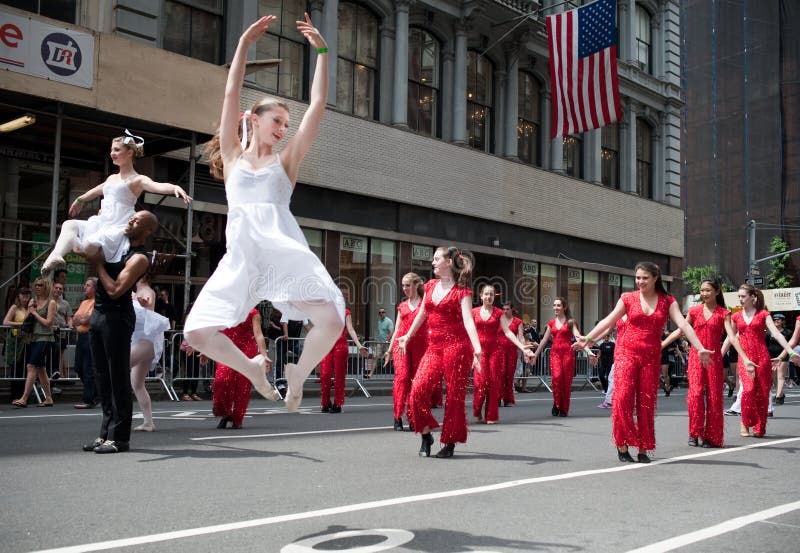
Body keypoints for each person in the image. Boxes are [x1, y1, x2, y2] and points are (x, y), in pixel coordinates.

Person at [183, 14, 345, 413]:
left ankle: (298, 373)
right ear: (254, 120)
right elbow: (229, 94)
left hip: (280, 254)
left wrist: (323, 52)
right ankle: (253, 369)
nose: (283, 129)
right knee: (196, 330)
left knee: (332, 320)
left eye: (287, 124)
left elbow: (319, 105)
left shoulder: (286, 161)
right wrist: (242, 46)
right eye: (277, 121)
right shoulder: (234, 157)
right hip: (241, 259)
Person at [574, 262, 712, 463]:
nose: (640, 281)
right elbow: (609, 321)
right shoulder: (627, 298)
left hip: (650, 358)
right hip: (625, 354)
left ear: (655, 278)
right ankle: (622, 444)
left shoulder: (668, 301)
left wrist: (699, 347)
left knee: (646, 404)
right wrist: (589, 338)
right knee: (621, 400)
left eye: (645, 278)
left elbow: (683, 325)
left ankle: (643, 448)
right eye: (637, 277)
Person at [41, 134, 190, 274]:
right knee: (69, 224)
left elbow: (156, 186)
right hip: (102, 222)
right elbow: (96, 191)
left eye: (117, 150)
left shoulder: (137, 179)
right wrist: (81, 199)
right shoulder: (112, 178)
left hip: (118, 225)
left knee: (87, 245)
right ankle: (56, 255)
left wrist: (174, 188)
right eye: (112, 149)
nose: (112, 153)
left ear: (130, 153)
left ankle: (76, 246)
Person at [81, 210, 158, 454]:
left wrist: (99, 264)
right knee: (102, 376)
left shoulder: (139, 258)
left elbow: (115, 290)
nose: (131, 221)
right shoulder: (118, 243)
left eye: (137, 220)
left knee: (118, 378)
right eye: (132, 217)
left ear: (146, 231)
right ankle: (104, 435)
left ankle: (119, 438)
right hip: (99, 315)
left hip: (117, 316)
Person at [398, 246, 482, 459]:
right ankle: (426, 435)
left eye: (436, 259)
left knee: (454, 397)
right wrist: (407, 335)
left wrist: (477, 348)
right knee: (417, 390)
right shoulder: (429, 285)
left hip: (457, 348)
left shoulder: (462, 291)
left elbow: (468, 320)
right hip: (434, 348)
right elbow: (422, 313)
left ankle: (450, 442)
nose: (433, 263)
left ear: (448, 263)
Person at [663, 279, 739, 448]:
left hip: (714, 359)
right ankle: (694, 432)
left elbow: (732, 337)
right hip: (696, 359)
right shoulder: (694, 311)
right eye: (702, 290)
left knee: (713, 398)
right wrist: (660, 346)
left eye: (708, 290)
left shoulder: (723, 313)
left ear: (717, 292)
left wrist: (746, 358)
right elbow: (679, 331)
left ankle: (710, 436)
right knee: (695, 395)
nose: (704, 293)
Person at [728, 284, 799, 438]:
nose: (740, 299)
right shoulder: (736, 316)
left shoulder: (763, 314)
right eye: (739, 296)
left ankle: (760, 425)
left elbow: (777, 334)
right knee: (747, 390)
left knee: (762, 393)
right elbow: (731, 338)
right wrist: (718, 354)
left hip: (762, 357)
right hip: (744, 358)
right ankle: (745, 422)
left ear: (752, 297)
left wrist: (791, 351)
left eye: (743, 296)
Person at [472, 285, 534, 425]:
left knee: (494, 384)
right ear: (481, 296)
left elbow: (507, 332)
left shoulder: (499, 313)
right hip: (480, 352)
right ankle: (477, 411)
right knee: (480, 383)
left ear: (494, 297)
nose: (488, 297)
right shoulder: (474, 312)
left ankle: (491, 415)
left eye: (491, 295)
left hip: (495, 352)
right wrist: (472, 353)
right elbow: (470, 333)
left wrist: (522, 347)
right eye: (486, 294)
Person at [532, 297, 596, 417]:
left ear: (564, 307)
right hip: (555, 354)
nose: (555, 308)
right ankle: (556, 404)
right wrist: (535, 354)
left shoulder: (570, 322)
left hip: (568, 354)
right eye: (554, 305)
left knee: (566, 382)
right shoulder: (551, 322)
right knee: (556, 378)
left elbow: (578, 338)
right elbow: (544, 339)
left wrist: (588, 352)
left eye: (558, 305)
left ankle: (564, 408)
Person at [384, 273, 427, 431]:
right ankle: (397, 416)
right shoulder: (402, 306)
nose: (405, 288)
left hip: (419, 347)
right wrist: (389, 350)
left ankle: (413, 416)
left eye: (408, 285)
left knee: (415, 383)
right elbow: (396, 330)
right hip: (401, 347)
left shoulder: (424, 305)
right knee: (402, 378)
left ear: (416, 285)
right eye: (403, 285)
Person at [213, 308, 270, 429]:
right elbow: (215, 331)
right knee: (221, 380)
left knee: (242, 386)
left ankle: (237, 418)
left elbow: (258, 334)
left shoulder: (253, 313)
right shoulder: (224, 308)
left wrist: (264, 355)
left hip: (246, 350)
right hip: (226, 349)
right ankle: (226, 413)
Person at [130, 273, 171, 432]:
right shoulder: (134, 292)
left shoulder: (147, 291)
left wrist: (143, 302)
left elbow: (149, 301)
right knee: (136, 383)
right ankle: (148, 422)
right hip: (141, 341)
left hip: (146, 342)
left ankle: (117, 413)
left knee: (119, 366)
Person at [11, 278, 57, 408]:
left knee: (31, 366)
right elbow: (28, 319)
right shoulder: (34, 301)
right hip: (34, 338)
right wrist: (30, 311)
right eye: (35, 285)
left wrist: (34, 313)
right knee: (41, 369)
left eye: (40, 285)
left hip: (45, 337)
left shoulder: (51, 302)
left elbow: (49, 323)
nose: (37, 287)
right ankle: (48, 398)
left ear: (46, 287)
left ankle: (24, 398)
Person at [319, 308, 366, 413]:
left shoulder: (345, 312)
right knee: (325, 374)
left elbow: (350, 329)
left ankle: (337, 403)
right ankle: (325, 402)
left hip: (340, 346)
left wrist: (359, 345)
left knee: (339, 376)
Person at [72, 278, 98, 409]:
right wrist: (81, 319)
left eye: (88, 285)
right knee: (78, 367)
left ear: (95, 288)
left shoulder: (97, 302)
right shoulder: (84, 302)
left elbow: (89, 319)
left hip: (90, 336)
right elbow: (75, 319)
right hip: (81, 337)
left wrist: (82, 319)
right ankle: (95, 392)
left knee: (88, 368)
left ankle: (89, 399)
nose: (85, 287)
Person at [3, 286, 32, 402]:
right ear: (18, 296)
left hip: (27, 340)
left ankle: (23, 395)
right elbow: (5, 322)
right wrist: (20, 325)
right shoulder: (15, 307)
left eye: (27, 296)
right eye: (23, 295)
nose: (25, 298)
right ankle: (15, 394)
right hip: (16, 340)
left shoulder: (30, 308)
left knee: (26, 367)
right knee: (16, 366)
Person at [499, 302, 524, 406]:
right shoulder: (499, 320)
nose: (505, 311)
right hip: (499, 351)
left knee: (509, 375)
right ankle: (497, 398)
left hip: (512, 352)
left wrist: (524, 350)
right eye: (504, 309)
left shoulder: (518, 321)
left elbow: (521, 337)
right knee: (500, 375)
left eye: (507, 309)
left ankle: (508, 399)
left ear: (512, 310)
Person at [49, 280, 73, 380]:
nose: (58, 290)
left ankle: (59, 376)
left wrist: (70, 326)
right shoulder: (48, 300)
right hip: (49, 332)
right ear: (52, 288)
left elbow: (69, 317)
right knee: (50, 355)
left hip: (62, 333)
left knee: (60, 354)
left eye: (61, 289)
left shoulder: (65, 303)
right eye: (56, 288)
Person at [766, 313, 791, 405]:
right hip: (771, 356)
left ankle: (778, 396)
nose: (776, 321)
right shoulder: (768, 332)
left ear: (783, 321)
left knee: (781, 376)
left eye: (779, 319)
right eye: (774, 319)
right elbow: (765, 344)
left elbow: (791, 343)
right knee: (773, 377)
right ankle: (780, 393)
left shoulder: (788, 332)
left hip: (783, 355)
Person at [366, 307, 394, 379]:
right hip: (379, 343)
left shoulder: (388, 321)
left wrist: (387, 340)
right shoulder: (379, 321)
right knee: (375, 357)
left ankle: (397, 375)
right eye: (380, 313)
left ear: (385, 313)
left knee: (392, 359)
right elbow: (380, 332)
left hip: (387, 343)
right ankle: (370, 374)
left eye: (383, 312)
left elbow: (391, 332)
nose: (381, 314)